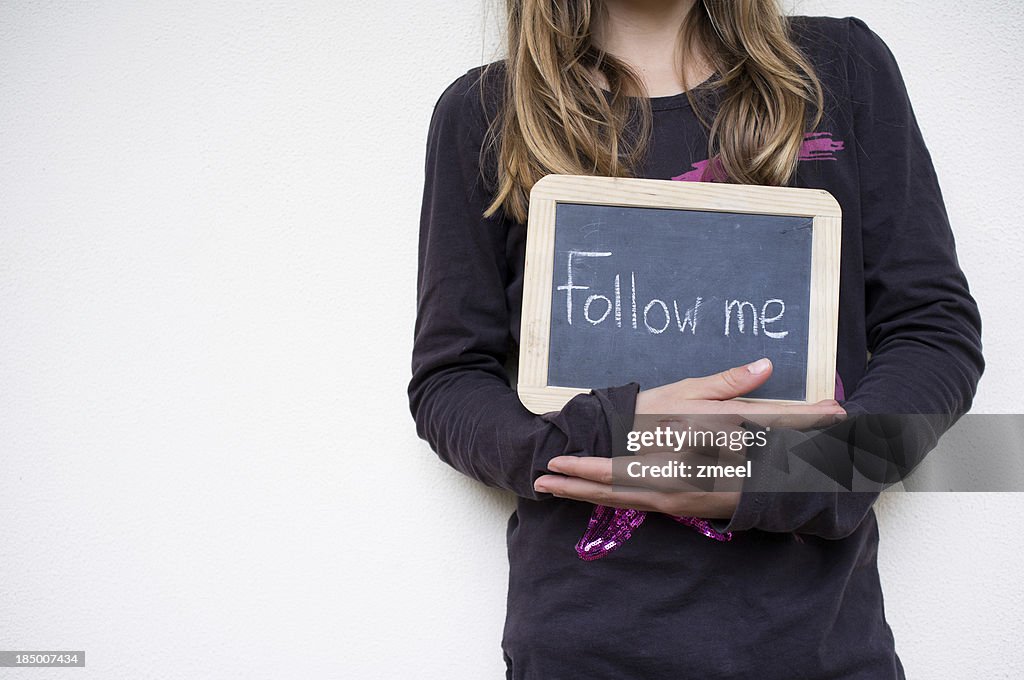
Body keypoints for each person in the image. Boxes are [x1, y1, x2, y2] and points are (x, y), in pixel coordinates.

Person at [408, 0, 984, 677]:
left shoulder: (838, 69)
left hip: (814, 646)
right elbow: (449, 381)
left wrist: (776, 473)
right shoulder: (485, 112)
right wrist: (616, 441)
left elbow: (932, 334)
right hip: (586, 650)